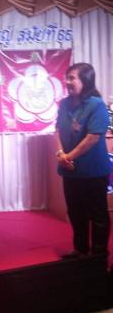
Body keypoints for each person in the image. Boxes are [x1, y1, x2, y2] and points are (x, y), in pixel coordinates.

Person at [56, 62, 111, 259]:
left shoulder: (96, 105)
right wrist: (60, 153)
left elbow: (93, 137)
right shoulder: (64, 104)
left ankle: (98, 255)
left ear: (85, 81)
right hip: (70, 170)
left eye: (72, 78)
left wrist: (68, 157)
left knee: (97, 214)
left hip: (93, 171)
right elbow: (58, 129)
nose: (67, 81)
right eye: (67, 77)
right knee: (75, 212)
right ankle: (80, 250)